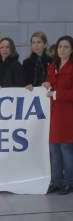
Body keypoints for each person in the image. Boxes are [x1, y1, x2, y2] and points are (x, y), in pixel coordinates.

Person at [44, 35, 73, 195]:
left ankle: (69, 182)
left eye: (66, 47)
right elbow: (50, 87)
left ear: (71, 50)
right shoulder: (52, 66)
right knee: (54, 151)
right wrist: (46, 86)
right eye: (60, 46)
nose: (62, 49)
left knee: (67, 151)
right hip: (53, 116)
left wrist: (55, 93)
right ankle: (56, 181)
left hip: (67, 115)